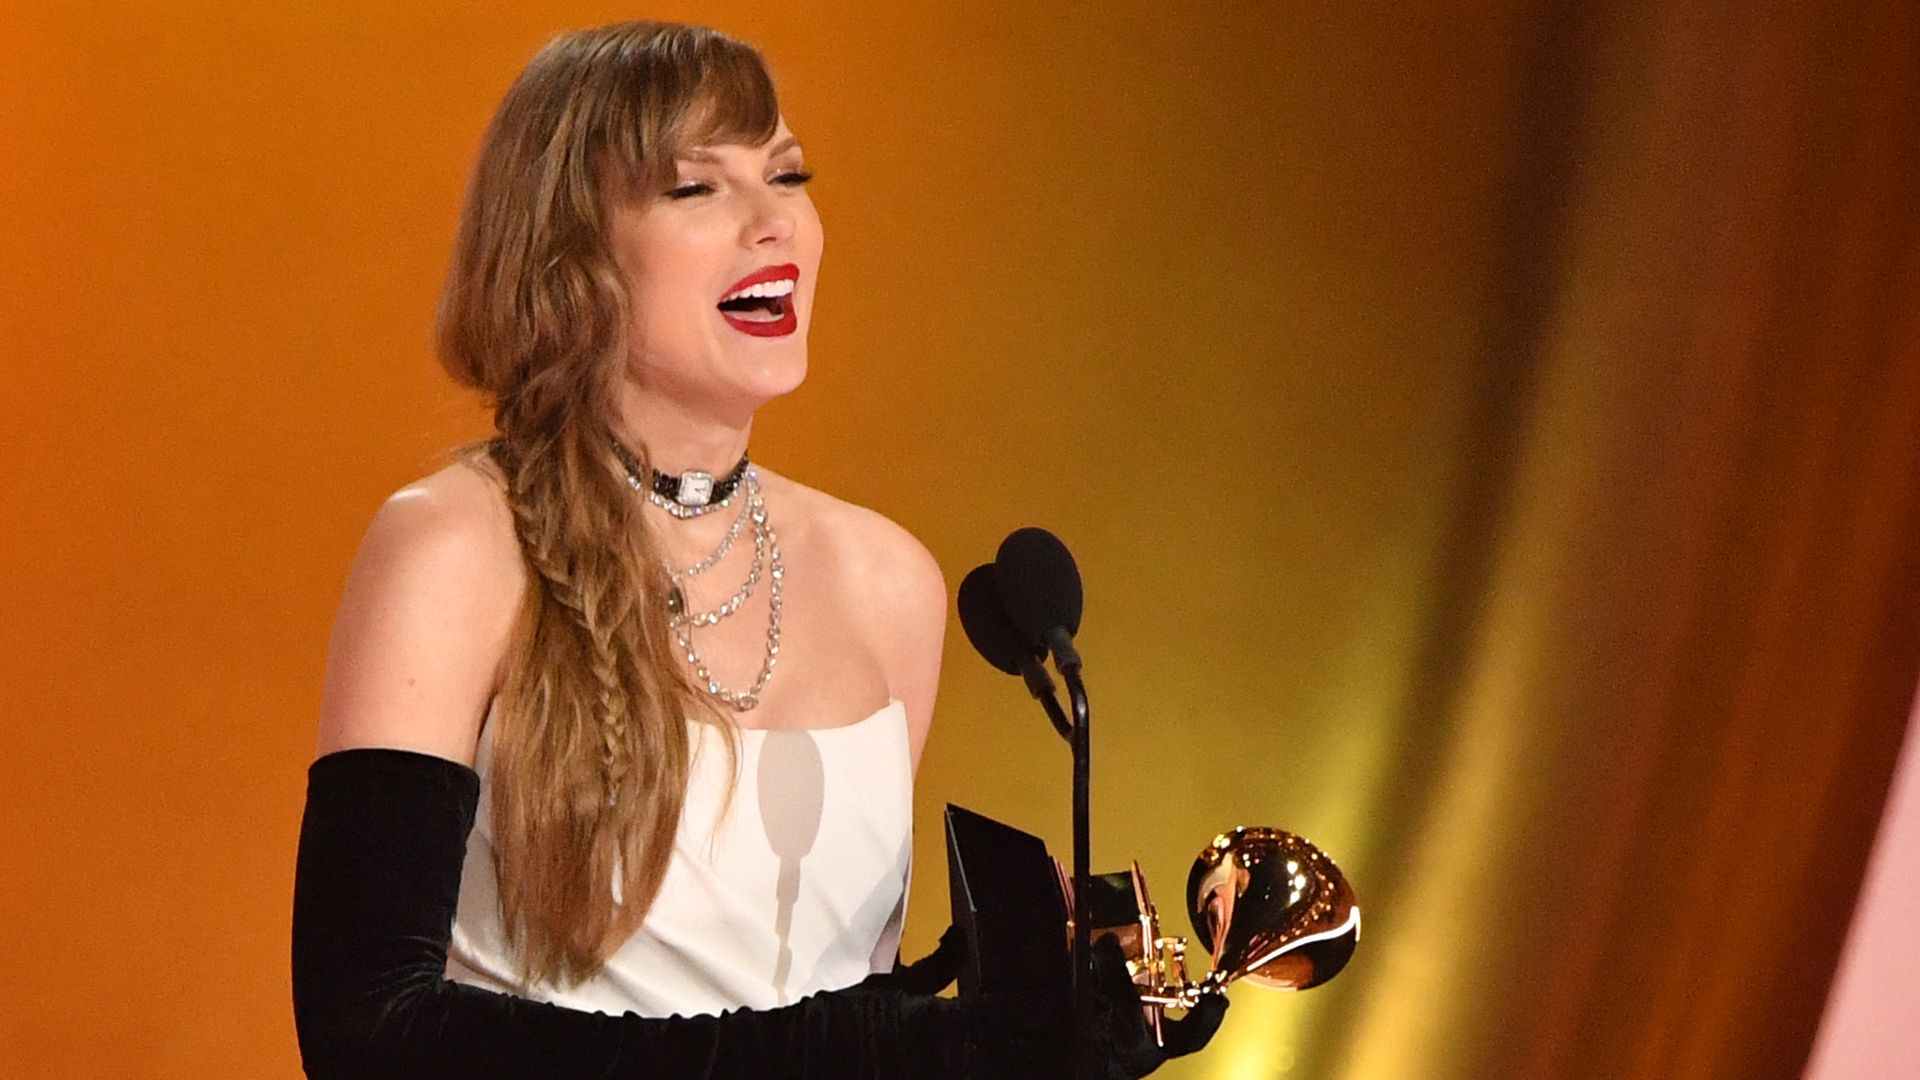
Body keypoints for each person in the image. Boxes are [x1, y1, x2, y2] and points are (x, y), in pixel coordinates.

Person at [289, 20, 1223, 1079]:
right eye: (698, 189)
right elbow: (366, 1031)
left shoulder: (887, 581)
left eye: (788, 174)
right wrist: (882, 1049)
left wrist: (995, 1013)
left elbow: (797, 991)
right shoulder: (454, 546)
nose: (775, 221)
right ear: (568, 254)